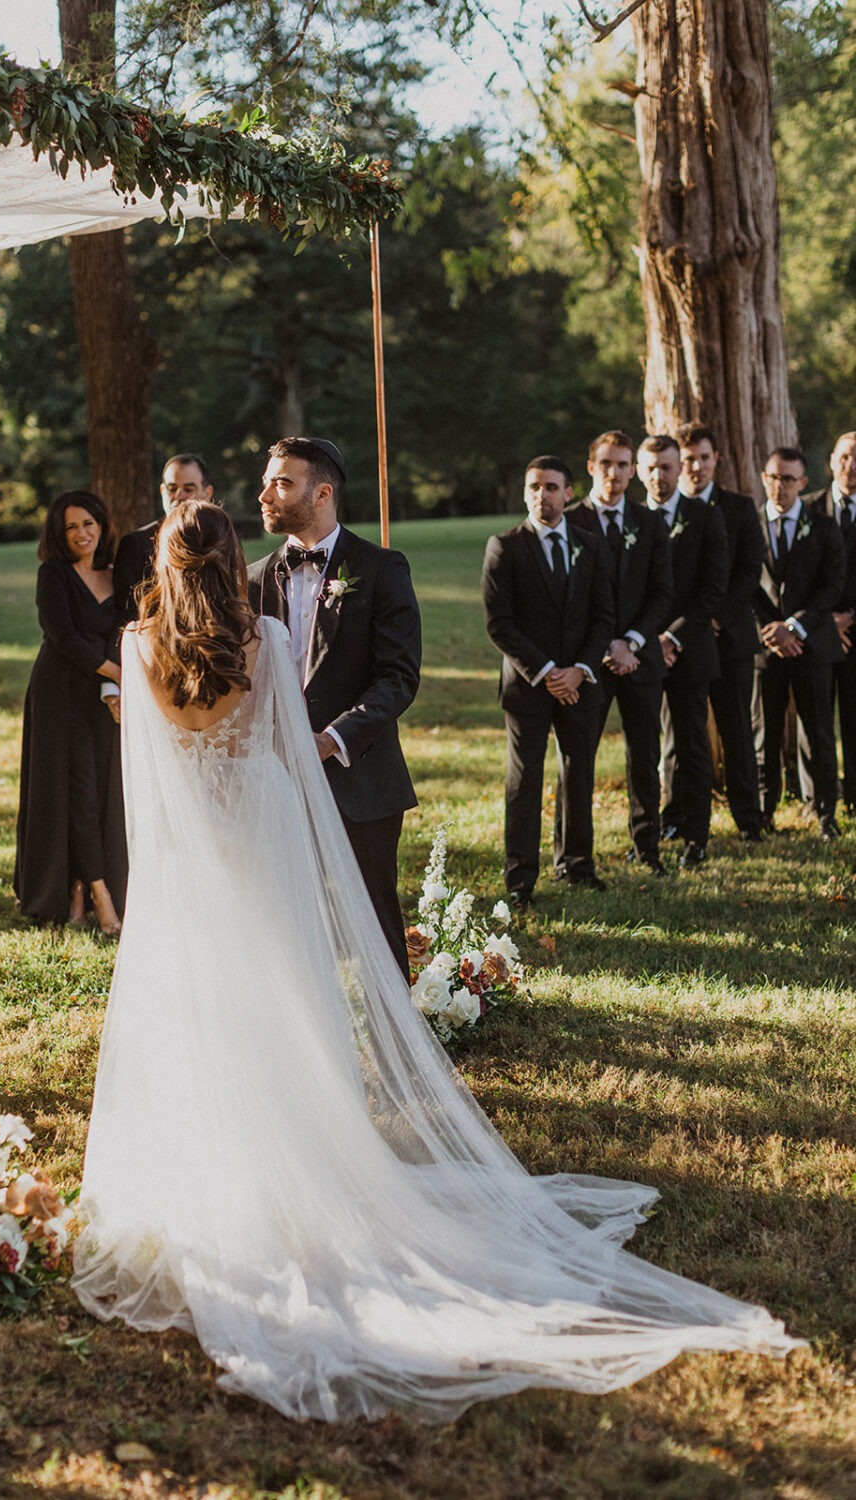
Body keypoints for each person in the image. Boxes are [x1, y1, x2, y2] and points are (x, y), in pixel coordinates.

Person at [72, 499, 801, 1424]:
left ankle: (209, 1179)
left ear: (162, 566)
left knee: (205, 1008)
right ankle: (310, 1158)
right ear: (231, 561)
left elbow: (148, 781)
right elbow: (292, 758)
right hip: (263, 835)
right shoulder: (259, 635)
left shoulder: (137, 649)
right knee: (287, 1002)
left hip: (189, 860)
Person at [247, 437, 420, 979]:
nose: (264, 495)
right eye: (267, 481)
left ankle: (396, 1039)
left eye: (282, 483)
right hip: (272, 775)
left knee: (373, 919)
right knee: (283, 917)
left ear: (322, 493)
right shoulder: (254, 578)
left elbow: (398, 678)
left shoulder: (381, 568)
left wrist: (331, 740)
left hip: (358, 775)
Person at [482, 456, 612, 907]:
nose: (543, 495)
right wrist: (546, 673)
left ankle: (577, 863)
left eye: (552, 487)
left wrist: (578, 669)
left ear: (568, 493)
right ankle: (520, 879)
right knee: (526, 779)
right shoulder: (505, 546)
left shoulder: (590, 546)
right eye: (534, 486)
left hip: (581, 681)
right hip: (527, 685)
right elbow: (499, 624)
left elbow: (603, 616)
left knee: (579, 772)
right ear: (525, 492)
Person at [14, 490, 127, 933]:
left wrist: (113, 682)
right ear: (59, 535)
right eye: (71, 527)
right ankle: (100, 896)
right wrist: (116, 671)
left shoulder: (117, 575)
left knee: (98, 790)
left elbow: (121, 632)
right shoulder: (54, 574)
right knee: (72, 788)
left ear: (102, 524)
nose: (82, 534)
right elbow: (62, 636)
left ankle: (79, 885)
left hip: (101, 696)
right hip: (58, 694)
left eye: (88, 523)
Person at [567, 431, 673, 875]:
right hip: (587, 663)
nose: (614, 473)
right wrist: (603, 646)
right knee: (578, 759)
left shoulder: (649, 523)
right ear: (591, 467)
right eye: (606, 463)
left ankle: (648, 848)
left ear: (633, 470)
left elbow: (663, 594)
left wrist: (629, 641)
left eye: (623, 464)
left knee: (645, 754)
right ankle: (575, 857)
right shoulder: (570, 521)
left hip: (638, 657)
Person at [639, 435, 729, 868]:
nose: (660, 476)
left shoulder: (705, 518)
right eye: (652, 468)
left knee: (692, 745)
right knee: (645, 747)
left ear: (680, 470)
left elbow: (713, 590)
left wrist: (670, 638)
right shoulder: (631, 520)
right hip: (638, 651)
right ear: (642, 470)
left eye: (668, 467)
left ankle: (697, 837)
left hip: (689, 650)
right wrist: (645, 639)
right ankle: (650, 837)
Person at [674, 424, 765, 845]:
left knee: (736, 728)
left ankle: (749, 817)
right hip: (680, 641)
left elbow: (749, 571)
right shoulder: (663, 511)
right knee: (682, 732)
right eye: (688, 459)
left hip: (729, 637)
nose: (696, 466)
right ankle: (677, 813)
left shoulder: (740, 508)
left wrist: (715, 617)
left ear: (716, 460)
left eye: (704, 458)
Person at [753, 447, 845, 837]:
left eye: (788, 479)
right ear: (764, 478)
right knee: (765, 733)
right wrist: (770, 629)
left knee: (819, 731)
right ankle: (762, 813)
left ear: (803, 483)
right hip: (766, 647)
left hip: (812, 644)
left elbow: (832, 585)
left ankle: (825, 814)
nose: (780, 486)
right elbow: (743, 585)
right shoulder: (750, 525)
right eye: (773, 477)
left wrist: (795, 626)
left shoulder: (823, 527)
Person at [801, 432, 856, 814]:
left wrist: (850, 618)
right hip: (816, 633)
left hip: (855, 632)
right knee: (814, 719)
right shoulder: (808, 509)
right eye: (846, 457)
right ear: (832, 460)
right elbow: (799, 575)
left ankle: (853, 796)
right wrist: (824, 621)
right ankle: (815, 798)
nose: (851, 466)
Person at [113, 453, 214, 624]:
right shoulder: (135, 544)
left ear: (207, 493)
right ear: (162, 491)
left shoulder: (220, 538)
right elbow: (129, 610)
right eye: (172, 489)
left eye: (188, 489)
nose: (179, 495)